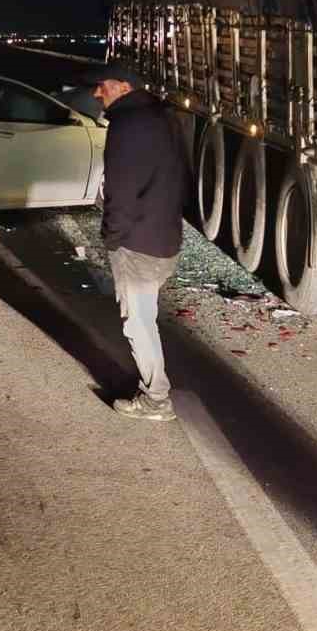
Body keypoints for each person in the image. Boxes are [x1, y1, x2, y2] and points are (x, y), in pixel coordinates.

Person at [79, 62, 188, 421]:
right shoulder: (164, 118)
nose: (97, 93)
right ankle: (154, 391)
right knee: (146, 317)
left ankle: (156, 399)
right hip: (164, 238)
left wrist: (111, 238)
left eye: (104, 86)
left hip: (137, 245)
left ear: (124, 88)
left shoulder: (127, 126)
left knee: (138, 322)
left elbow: (120, 193)